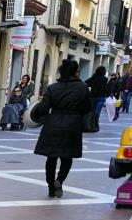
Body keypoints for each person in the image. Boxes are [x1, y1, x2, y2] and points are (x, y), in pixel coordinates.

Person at [32, 59, 91, 198]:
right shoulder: (82, 87)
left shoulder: (53, 87)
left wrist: (36, 114)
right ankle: (60, 180)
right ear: (76, 72)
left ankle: (51, 187)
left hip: (53, 124)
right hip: (72, 125)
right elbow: (87, 107)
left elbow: (44, 107)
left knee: (51, 159)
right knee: (67, 158)